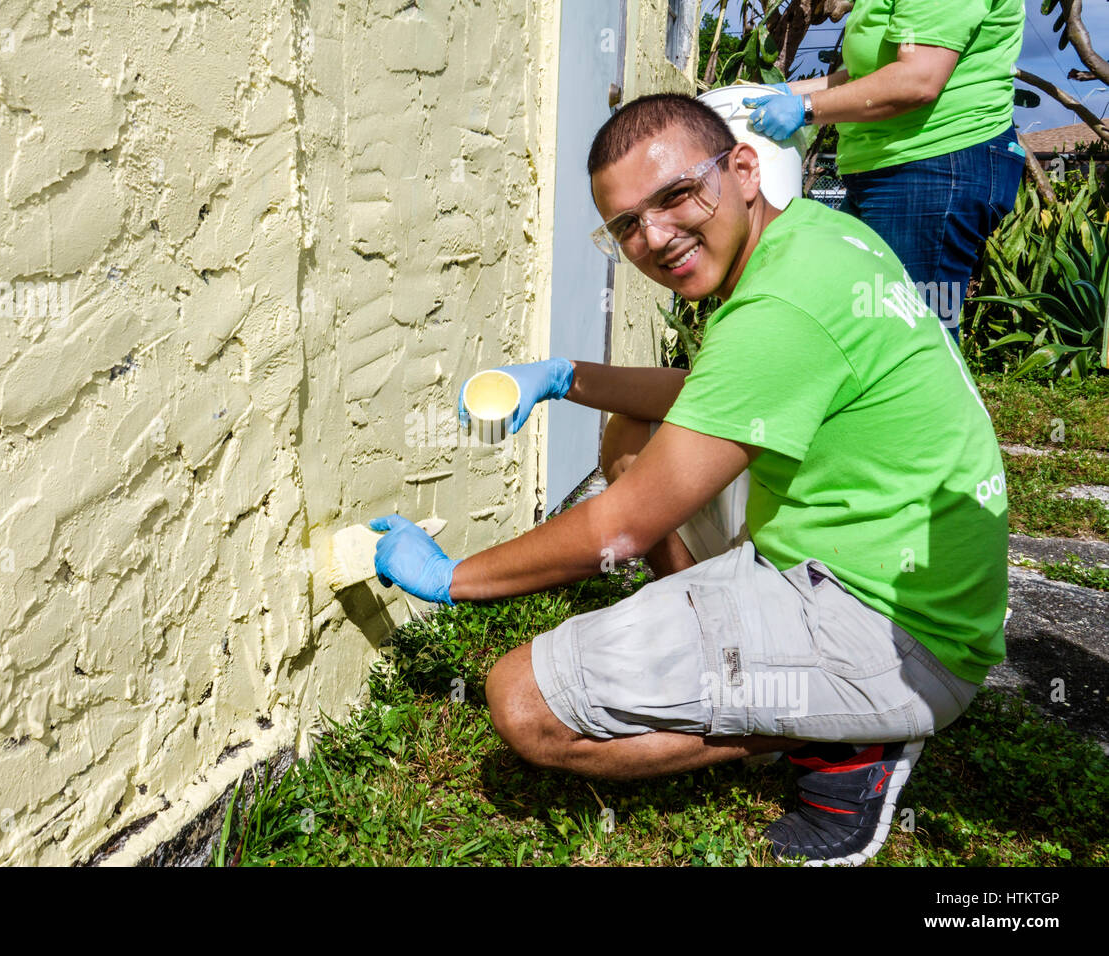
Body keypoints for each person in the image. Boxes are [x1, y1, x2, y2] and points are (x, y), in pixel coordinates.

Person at [370, 93, 1009, 866]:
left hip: (893, 636)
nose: (657, 238)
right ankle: (721, 645)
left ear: (742, 168)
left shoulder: (780, 306)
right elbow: (719, 400)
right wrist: (568, 378)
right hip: (884, 565)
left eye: (675, 197)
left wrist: (451, 578)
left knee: (523, 703)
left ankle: (854, 740)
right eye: (628, 225)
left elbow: (621, 527)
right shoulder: (812, 238)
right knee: (631, 435)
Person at [742, 0, 1026, 344]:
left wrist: (805, 108)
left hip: (934, 166)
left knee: (910, 335)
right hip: (890, 169)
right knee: (858, 320)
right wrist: (783, 92)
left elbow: (916, 79)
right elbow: (871, 75)